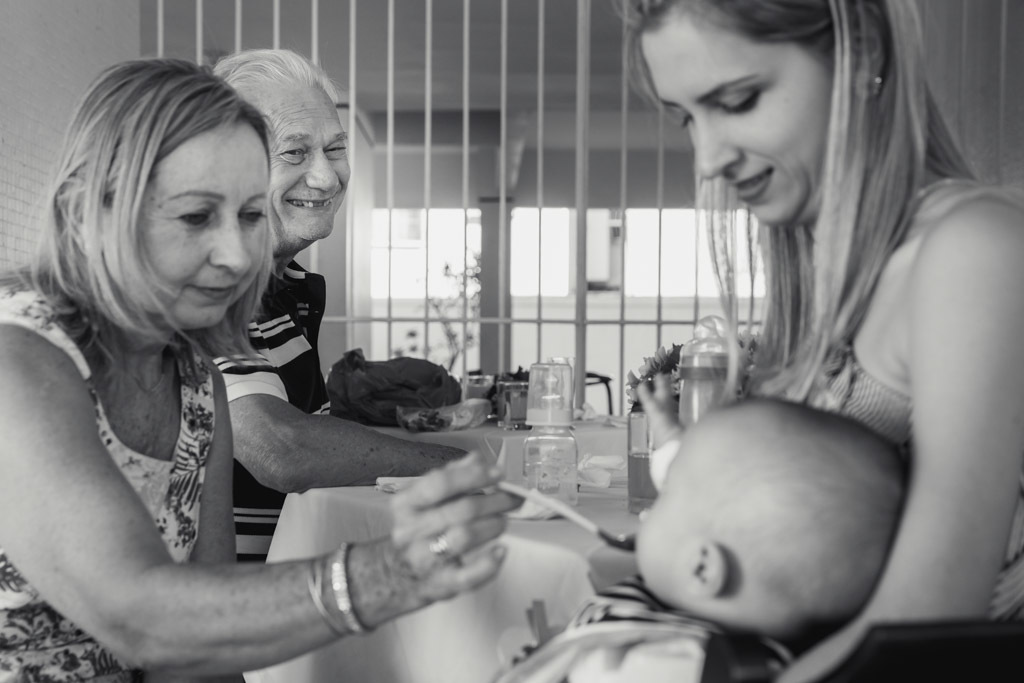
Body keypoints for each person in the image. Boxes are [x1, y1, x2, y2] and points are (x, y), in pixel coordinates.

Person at [0, 58, 515, 680]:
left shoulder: (195, 380)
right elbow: (144, 618)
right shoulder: (20, 357)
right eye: (195, 216)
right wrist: (390, 571)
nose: (236, 253)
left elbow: (206, 653)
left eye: (249, 217)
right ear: (90, 207)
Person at [620, 0, 1024, 680]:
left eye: (739, 100)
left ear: (862, 55)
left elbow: (918, 625)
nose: (708, 158)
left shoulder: (971, 250)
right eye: (687, 117)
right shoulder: (820, 269)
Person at [209, 49, 464, 562]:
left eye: (334, 149)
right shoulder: (217, 282)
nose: (327, 178)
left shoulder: (285, 286)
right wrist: (461, 465)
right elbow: (279, 447)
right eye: (294, 153)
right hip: (241, 606)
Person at [495, 399, 905, 683]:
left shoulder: (668, 667)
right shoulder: (702, 612)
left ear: (703, 567)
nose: (649, 511)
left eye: (665, 495)